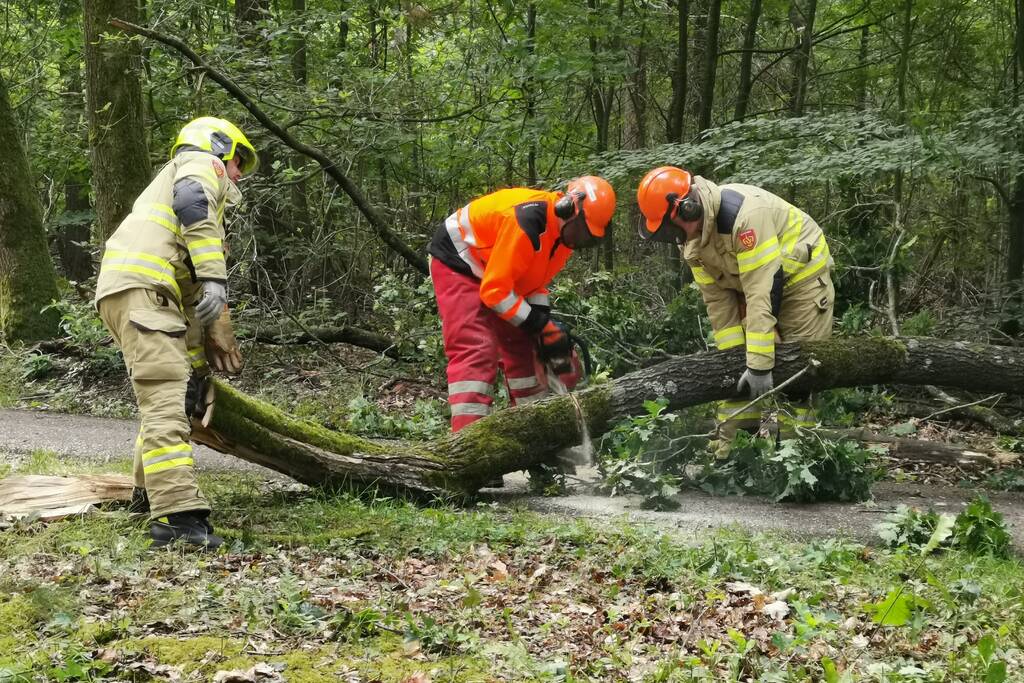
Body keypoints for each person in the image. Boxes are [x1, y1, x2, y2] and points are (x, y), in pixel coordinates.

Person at [94, 117, 258, 549]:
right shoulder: (199, 165)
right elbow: (193, 201)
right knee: (166, 403)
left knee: (170, 397)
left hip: (138, 295)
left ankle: (147, 496)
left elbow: (185, 308)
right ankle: (177, 519)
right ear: (219, 147)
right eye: (239, 161)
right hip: (144, 293)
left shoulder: (169, 211)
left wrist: (199, 372)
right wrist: (215, 279)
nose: (239, 173)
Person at [636, 166, 834, 455]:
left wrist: (759, 365)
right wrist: (735, 360)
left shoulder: (745, 217)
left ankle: (797, 456)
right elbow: (718, 304)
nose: (672, 236)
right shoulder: (693, 244)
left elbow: (762, 290)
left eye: (669, 227)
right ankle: (735, 453)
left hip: (801, 278)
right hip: (755, 284)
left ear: (688, 208)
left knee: (797, 375)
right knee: (738, 376)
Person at [427, 177, 616, 433]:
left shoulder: (562, 239)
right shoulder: (527, 222)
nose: (579, 240)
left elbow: (533, 283)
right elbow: (495, 293)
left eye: (587, 238)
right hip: (460, 259)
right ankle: (467, 438)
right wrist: (541, 325)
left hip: (497, 272)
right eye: (581, 231)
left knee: (525, 347)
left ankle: (532, 431)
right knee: (477, 348)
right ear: (567, 207)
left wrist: (543, 326)